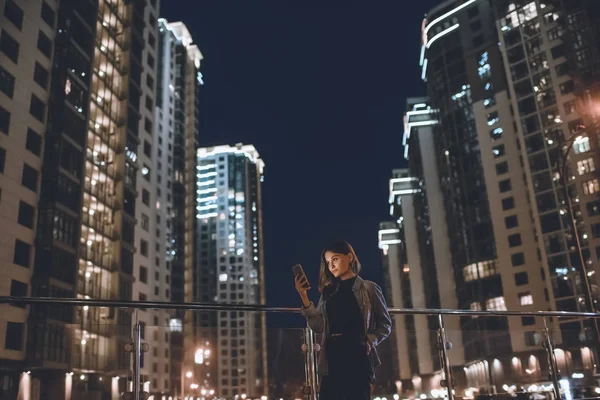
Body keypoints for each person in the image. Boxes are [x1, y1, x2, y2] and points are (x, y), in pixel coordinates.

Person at [295, 240, 392, 400]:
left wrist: (370, 340)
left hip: (358, 353)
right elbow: (318, 326)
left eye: (335, 259)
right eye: (327, 262)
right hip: (332, 355)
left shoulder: (368, 288)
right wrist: (304, 296)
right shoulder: (328, 292)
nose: (331, 266)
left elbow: (385, 325)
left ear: (350, 257)